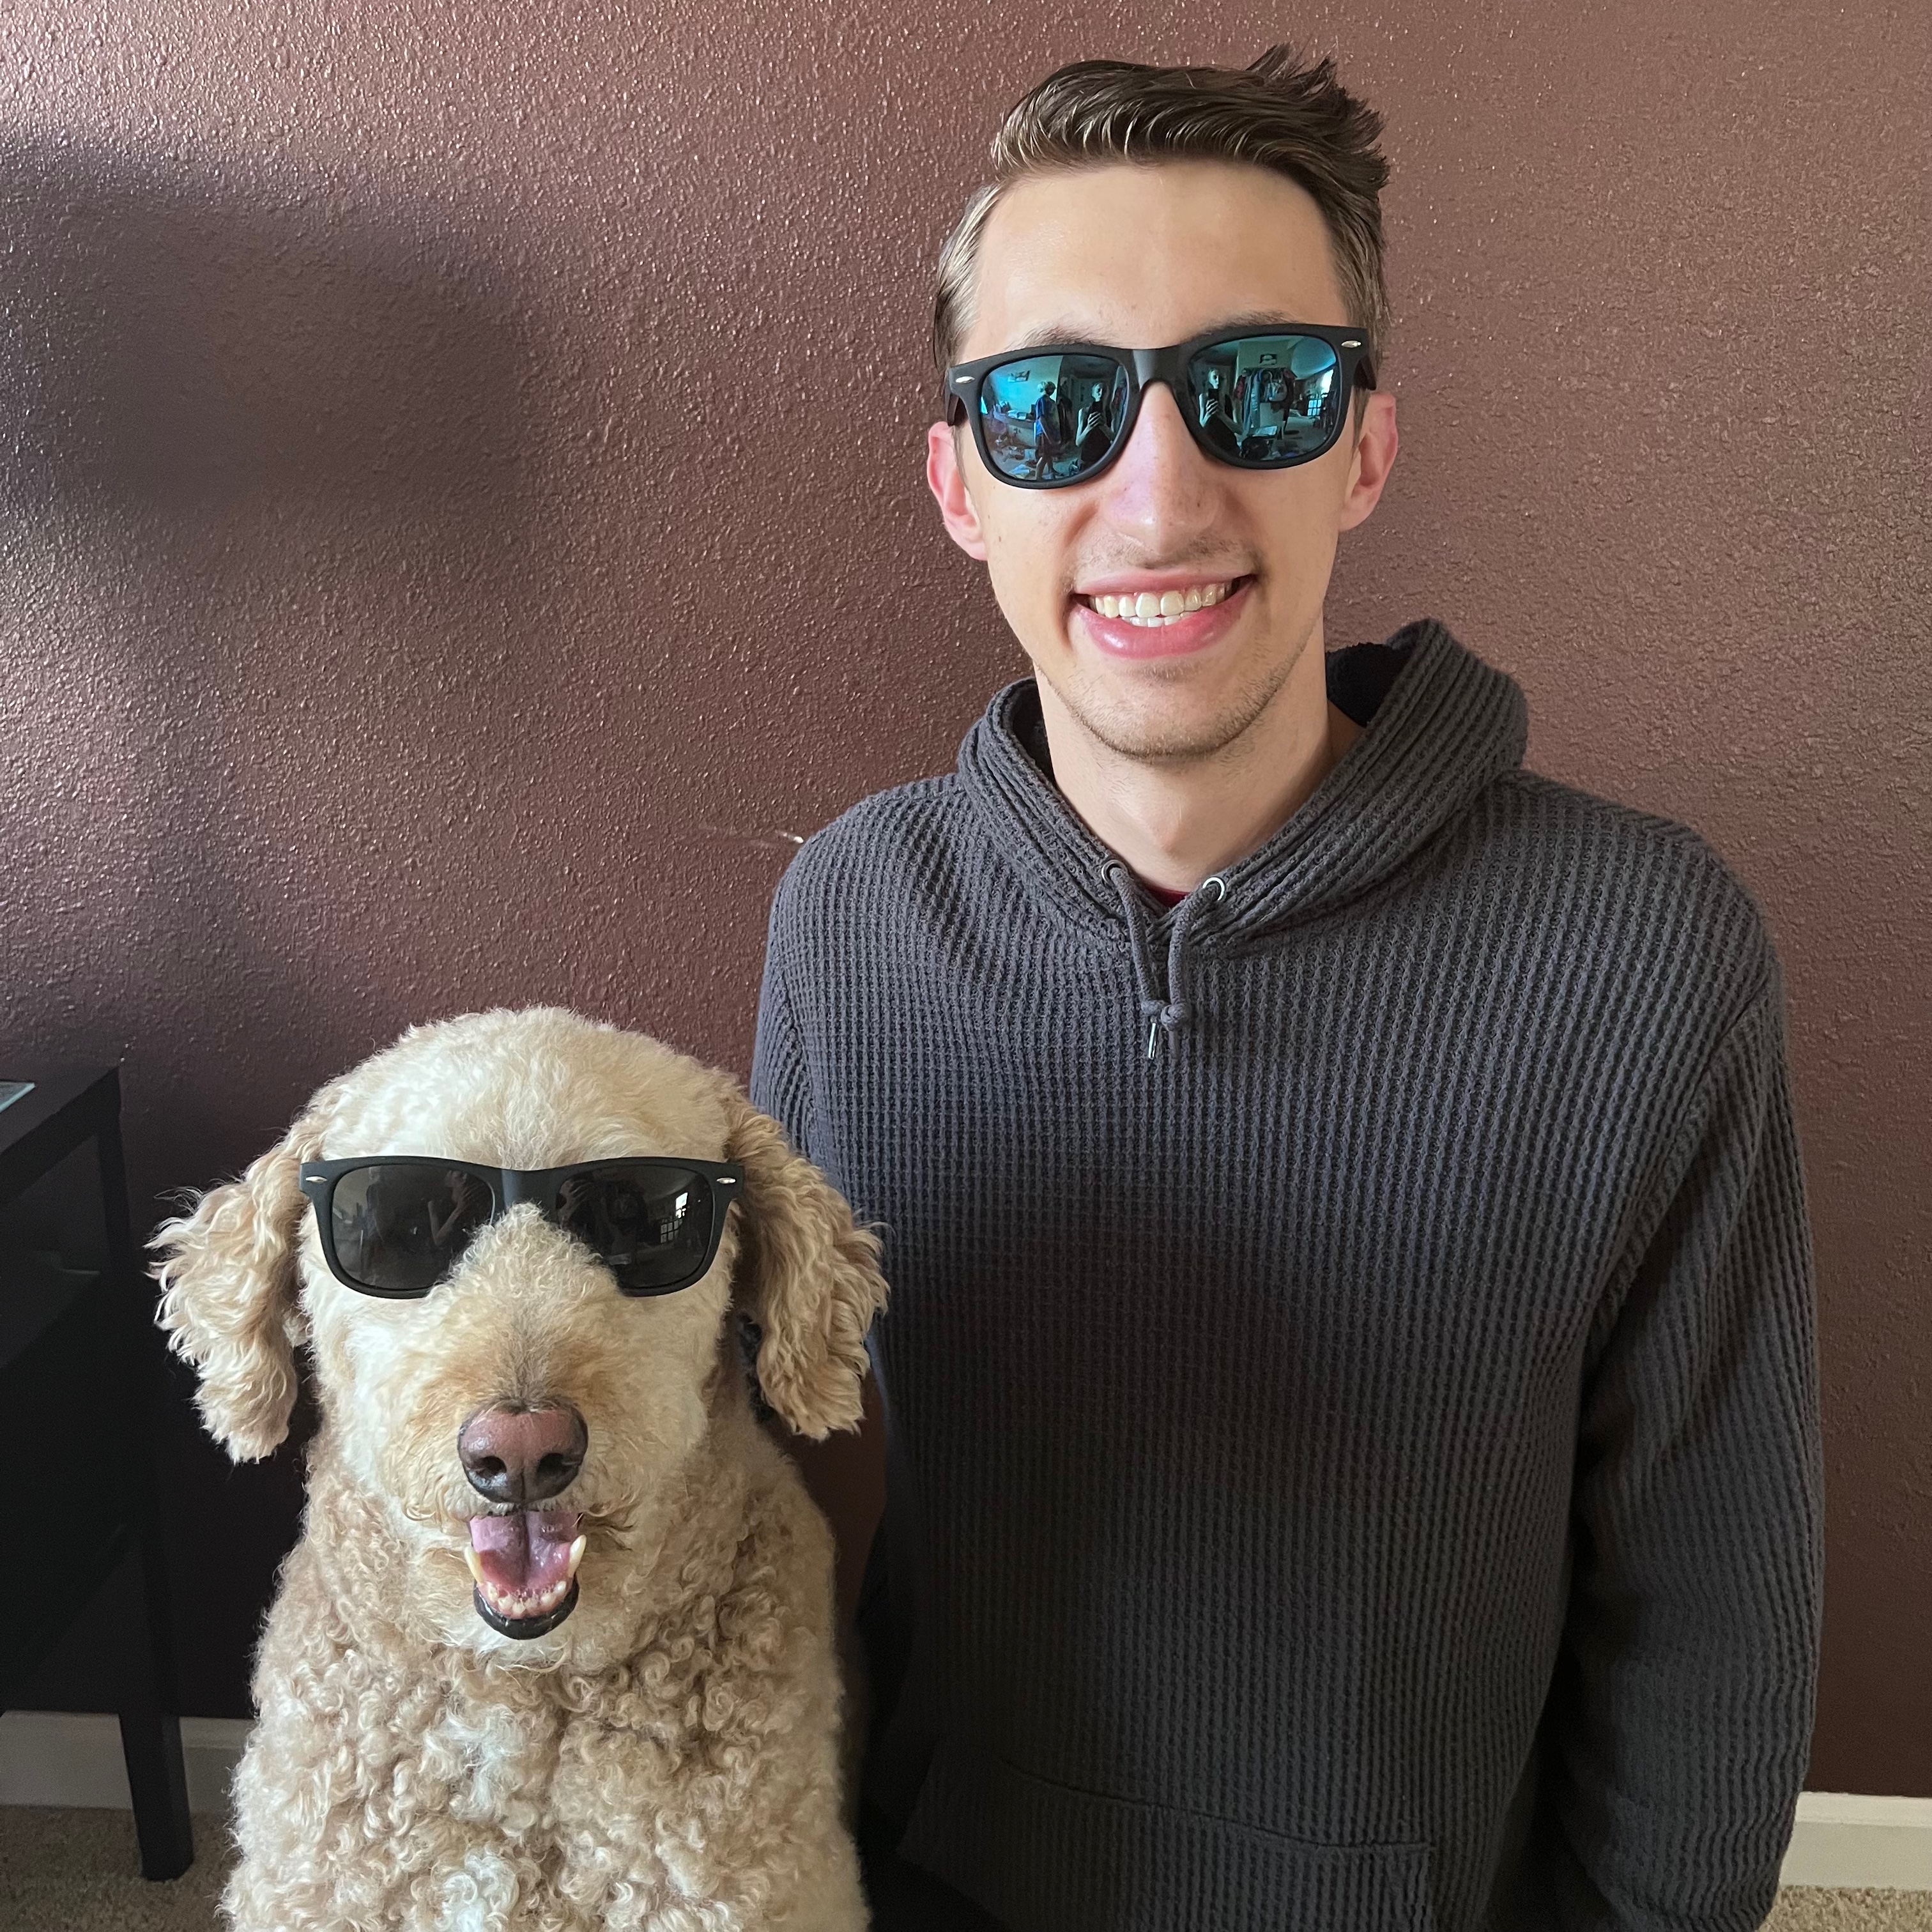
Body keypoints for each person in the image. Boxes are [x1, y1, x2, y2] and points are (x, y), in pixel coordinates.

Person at [749, 47, 1823, 1932]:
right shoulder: (847, 918)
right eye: (1057, 406)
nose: (1158, 498)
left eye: (1256, 391)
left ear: (1364, 448)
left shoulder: (1651, 952)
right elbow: (788, 1488)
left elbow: (1712, 1618)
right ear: (959, 485)